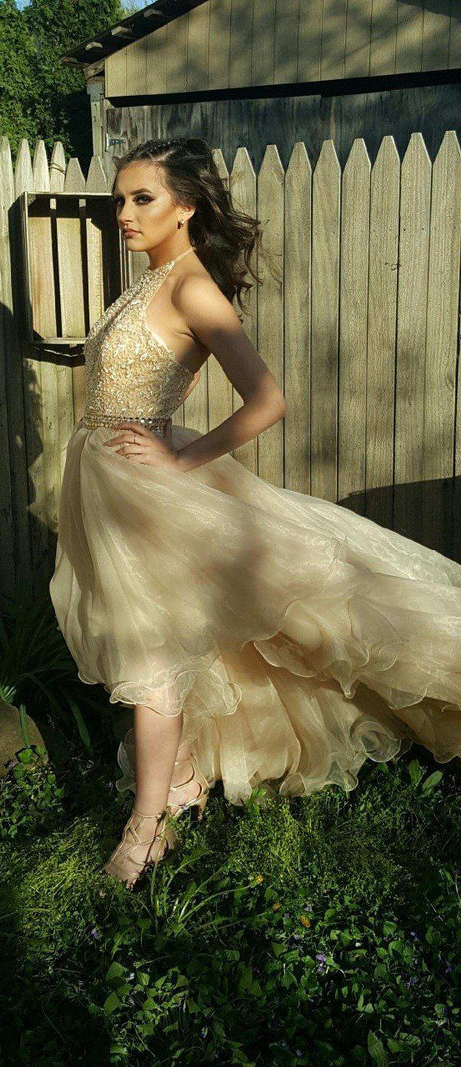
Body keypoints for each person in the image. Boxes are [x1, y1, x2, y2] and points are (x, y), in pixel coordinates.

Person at [49, 136, 461, 890]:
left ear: (185, 206)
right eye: (120, 200)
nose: (124, 213)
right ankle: (178, 784)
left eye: (142, 198)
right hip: (110, 484)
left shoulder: (192, 289)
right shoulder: (150, 281)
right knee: (154, 642)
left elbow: (268, 399)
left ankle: (145, 829)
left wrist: (181, 459)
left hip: (149, 493)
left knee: (152, 654)